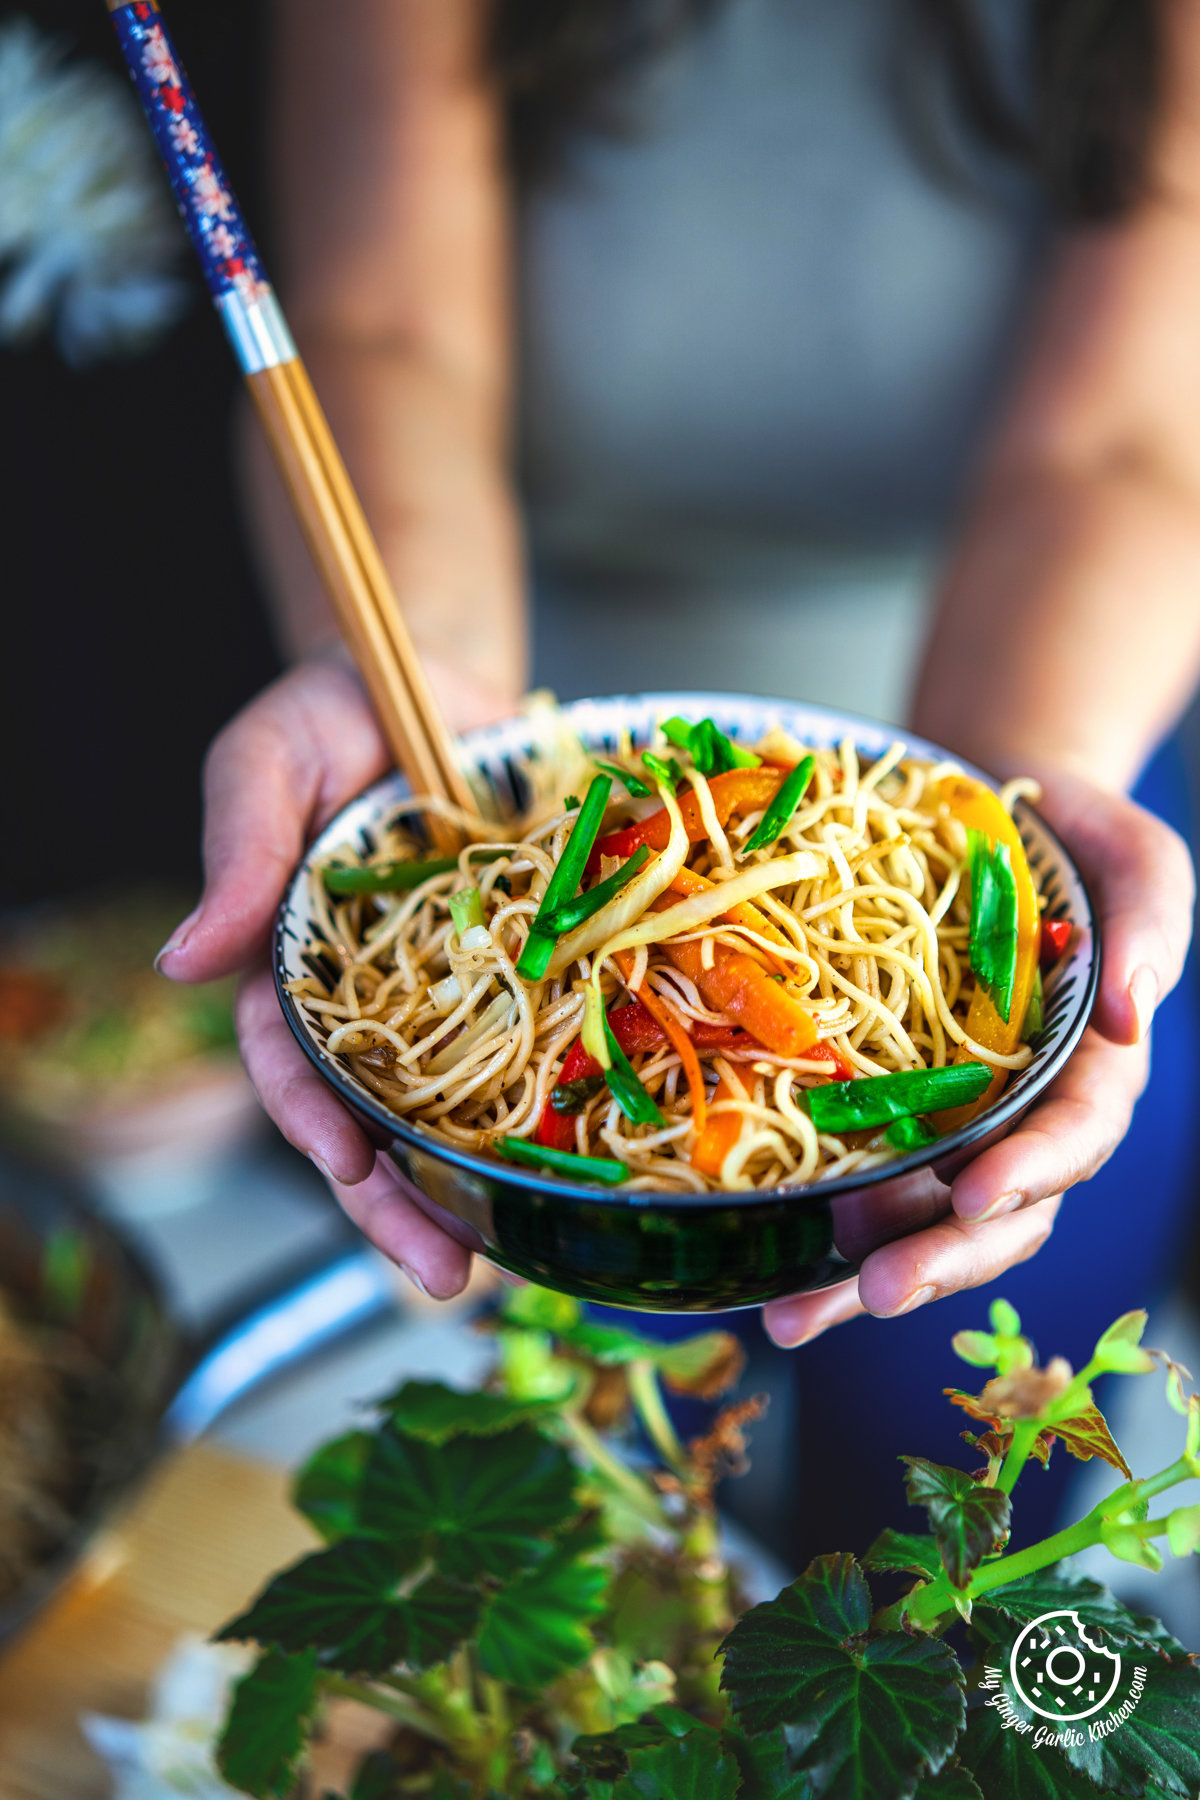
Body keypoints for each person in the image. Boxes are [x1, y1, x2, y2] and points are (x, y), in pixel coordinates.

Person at [158, 1, 1200, 1551]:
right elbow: (387, 335)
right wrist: (405, 686)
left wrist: (1022, 783)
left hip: (1026, 743)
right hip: (495, 761)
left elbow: (1121, 443)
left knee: (959, 1545)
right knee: (595, 1531)